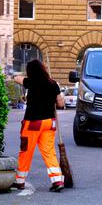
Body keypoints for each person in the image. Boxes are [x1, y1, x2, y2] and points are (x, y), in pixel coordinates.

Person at [12, 59, 66, 192]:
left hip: (33, 122)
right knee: (49, 152)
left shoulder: (31, 82)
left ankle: (19, 181)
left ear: (30, 72)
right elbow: (61, 104)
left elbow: (16, 78)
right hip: (49, 123)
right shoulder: (53, 84)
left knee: (26, 151)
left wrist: (22, 76)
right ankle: (57, 180)